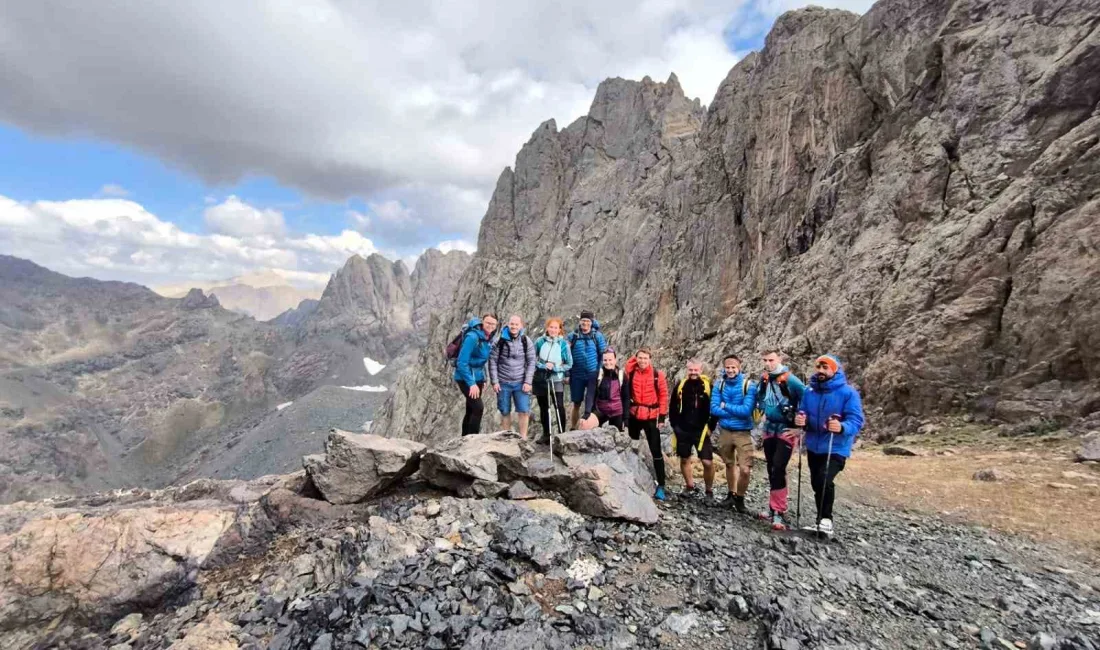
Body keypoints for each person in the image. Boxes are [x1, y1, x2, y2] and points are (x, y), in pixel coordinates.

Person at [794, 355, 865, 536]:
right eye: (818, 367)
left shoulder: (848, 393)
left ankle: (826, 520)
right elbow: (803, 412)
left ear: (835, 370)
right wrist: (801, 419)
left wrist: (841, 427)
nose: (821, 370)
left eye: (825, 367)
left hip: (836, 446)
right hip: (813, 445)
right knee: (816, 482)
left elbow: (856, 420)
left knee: (824, 479)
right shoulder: (809, 392)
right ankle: (821, 521)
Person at [754, 349, 806, 530]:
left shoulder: (790, 379)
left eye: (771, 360)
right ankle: (773, 507)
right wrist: (762, 410)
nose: (768, 363)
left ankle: (778, 510)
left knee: (778, 466)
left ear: (779, 359)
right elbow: (760, 396)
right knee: (771, 467)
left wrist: (800, 426)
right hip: (769, 427)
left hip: (786, 429)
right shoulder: (765, 378)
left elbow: (806, 397)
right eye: (765, 360)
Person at [709, 354, 758, 513]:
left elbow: (746, 411)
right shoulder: (719, 384)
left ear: (739, 367)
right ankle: (731, 494)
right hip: (725, 431)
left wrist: (725, 406)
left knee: (745, 469)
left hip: (743, 432)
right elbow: (714, 408)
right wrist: (727, 409)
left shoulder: (748, 386)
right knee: (729, 464)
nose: (730, 370)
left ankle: (740, 498)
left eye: (733, 368)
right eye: (727, 367)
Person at [624, 347, 670, 500]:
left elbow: (663, 396)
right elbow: (627, 366)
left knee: (656, 452)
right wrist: (635, 355)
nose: (642, 361)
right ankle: (632, 478)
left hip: (651, 416)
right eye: (640, 358)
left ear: (650, 359)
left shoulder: (658, 375)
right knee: (632, 448)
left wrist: (662, 417)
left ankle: (661, 485)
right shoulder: (631, 372)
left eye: (646, 358)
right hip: (634, 415)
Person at [669, 358, 718, 501]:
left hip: (702, 431)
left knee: (707, 462)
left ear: (701, 370)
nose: (693, 373)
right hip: (683, 429)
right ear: (687, 370)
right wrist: (675, 426)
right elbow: (672, 407)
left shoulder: (708, 386)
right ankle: (689, 486)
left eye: (696, 370)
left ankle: (709, 490)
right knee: (685, 459)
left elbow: (714, 409)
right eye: (690, 370)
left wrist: (711, 427)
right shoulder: (681, 386)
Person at [489, 314, 536, 439]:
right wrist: (495, 381)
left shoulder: (526, 341)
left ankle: (523, 438)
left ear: (521, 326)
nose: (514, 326)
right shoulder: (499, 341)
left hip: (521, 382)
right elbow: (492, 361)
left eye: (516, 324)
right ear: (508, 325)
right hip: (503, 382)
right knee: (505, 411)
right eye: (512, 324)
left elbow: (532, 361)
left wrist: (528, 381)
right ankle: (507, 438)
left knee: (524, 411)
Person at [453, 314, 498, 436]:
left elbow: (482, 361)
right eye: (488, 323)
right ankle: (472, 441)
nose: (490, 326)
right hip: (465, 378)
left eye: (493, 324)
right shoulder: (473, 337)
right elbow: (461, 362)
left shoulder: (488, 338)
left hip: (477, 377)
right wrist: (471, 384)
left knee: (471, 409)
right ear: (482, 322)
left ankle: (464, 439)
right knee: (478, 408)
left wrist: (483, 377)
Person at [533, 317, 572, 443]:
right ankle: (546, 434)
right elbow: (533, 358)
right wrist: (543, 366)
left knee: (559, 405)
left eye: (556, 327)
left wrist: (556, 368)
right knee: (544, 407)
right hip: (541, 378)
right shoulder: (540, 341)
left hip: (557, 378)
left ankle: (562, 435)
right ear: (547, 328)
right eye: (551, 327)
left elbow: (569, 363)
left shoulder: (563, 344)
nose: (553, 330)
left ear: (560, 330)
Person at [567, 310, 608, 430]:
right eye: (583, 320)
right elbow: (566, 356)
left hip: (592, 374)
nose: (585, 323)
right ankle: (574, 428)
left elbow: (603, 354)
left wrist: (600, 369)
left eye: (588, 321)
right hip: (576, 374)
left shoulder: (597, 336)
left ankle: (590, 427)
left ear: (592, 322)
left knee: (592, 403)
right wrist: (567, 373)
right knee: (576, 403)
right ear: (580, 321)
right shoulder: (572, 336)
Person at [593, 349, 627, 430]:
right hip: (600, 411)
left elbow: (626, 398)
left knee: (618, 437)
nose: (608, 362)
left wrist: (626, 419)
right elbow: (592, 395)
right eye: (605, 360)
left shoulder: (622, 375)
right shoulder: (598, 375)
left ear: (615, 360)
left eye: (610, 360)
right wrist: (592, 412)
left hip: (617, 412)